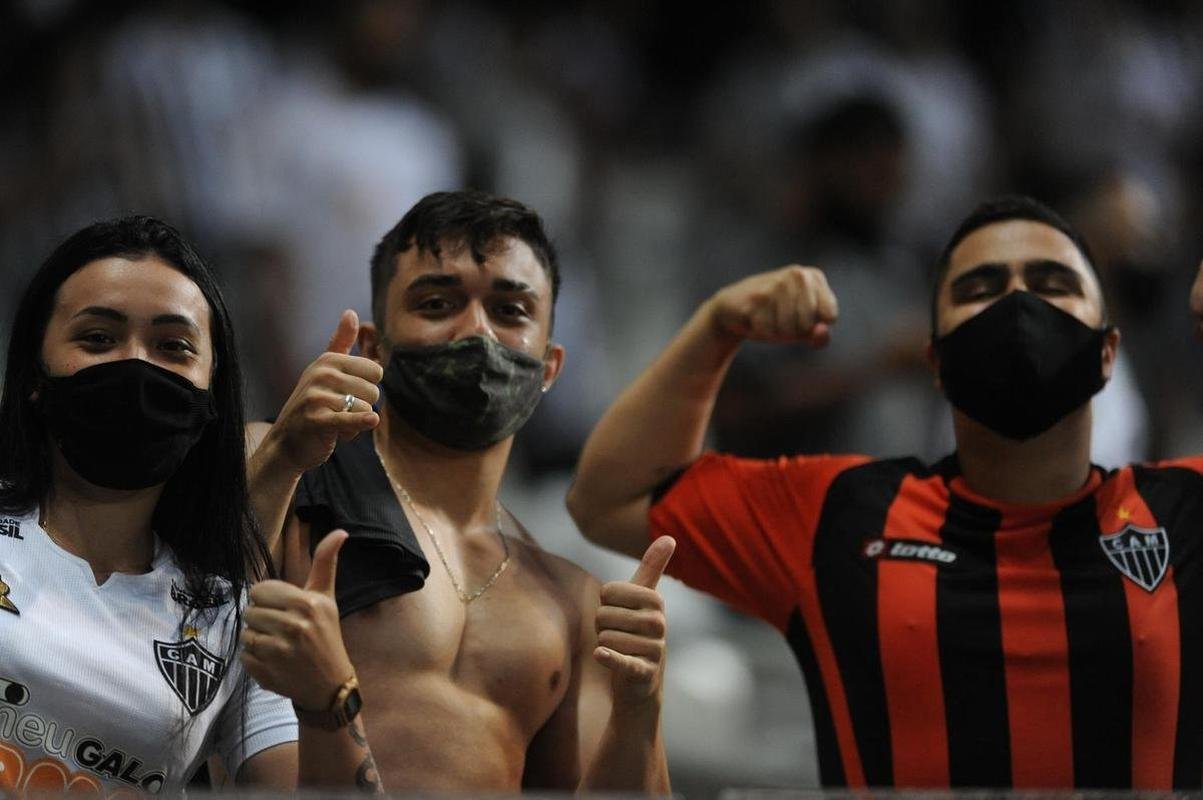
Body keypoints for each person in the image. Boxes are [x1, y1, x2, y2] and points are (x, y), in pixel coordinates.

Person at [567, 195, 1203, 790]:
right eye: (979, 290)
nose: (1017, 305)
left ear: (1108, 353)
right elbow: (611, 496)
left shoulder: (1189, 512)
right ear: (934, 360)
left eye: (1051, 284)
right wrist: (717, 329)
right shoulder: (837, 514)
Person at [247, 189, 674, 792]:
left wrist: (641, 703)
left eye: (510, 310)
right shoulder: (285, 469)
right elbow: (181, 632)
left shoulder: (572, 601)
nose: (476, 330)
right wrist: (281, 456)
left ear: (549, 367)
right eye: (438, 302)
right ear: (373, 346)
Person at [0, 216, 375, 795]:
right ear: (33, 373)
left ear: (211, 394)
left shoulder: (232, 619)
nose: (137, 364)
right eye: (98, 338)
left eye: (172, 347)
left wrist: (332, 696)